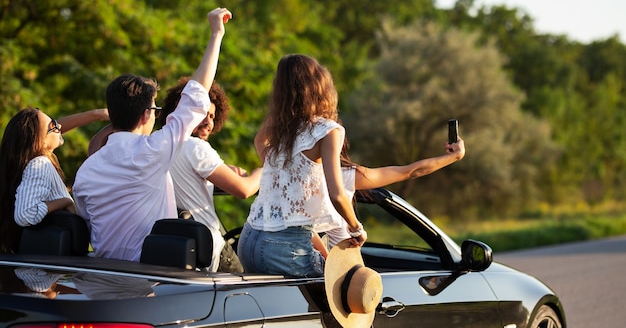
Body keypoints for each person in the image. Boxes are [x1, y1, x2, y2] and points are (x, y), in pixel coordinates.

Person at [72, 7, 232, 262]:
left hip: (102, 280)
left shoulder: (86, 170)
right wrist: (216, 35)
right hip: (150, 283)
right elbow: (196, 96)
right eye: (156, 110)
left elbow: (88, 224)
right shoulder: (153, 150)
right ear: (147, 115)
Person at [237, 54, 366, 278]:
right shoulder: (327, 130)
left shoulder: (282, 131)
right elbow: (338, 196)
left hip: (248, 240)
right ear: (320, 85)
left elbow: (259, 140)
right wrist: (356, 228)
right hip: (284, 248)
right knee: (340, 291)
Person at [158, 77, 262, 272]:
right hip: (210, 252)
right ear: (184, 113)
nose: (208, 122)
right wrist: (262, 172)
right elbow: (244, 190)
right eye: (202, 114)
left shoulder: (159, 144)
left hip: (174, 249)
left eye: (213, 116)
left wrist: (224, 170)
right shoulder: (196, 147)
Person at [313, 136, 466, 257]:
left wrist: (326, 260)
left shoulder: (293, 182)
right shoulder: (345, 177)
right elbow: (410, 171)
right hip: (337, 276)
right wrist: (456, 156)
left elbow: (298, 228)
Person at [0, 108, 109, 254]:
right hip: (46, 269)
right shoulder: (39, 164)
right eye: (53, 126)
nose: (60, 127)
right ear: (38, 139)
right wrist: (65, 201)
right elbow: (26, 214)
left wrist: (97, 114)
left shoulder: (31, 165)